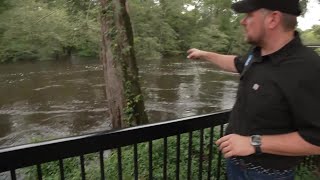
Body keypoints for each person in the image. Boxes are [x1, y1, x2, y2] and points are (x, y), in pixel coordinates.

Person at [187, 0, 320, 179]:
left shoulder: (307, 68)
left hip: (268, 175)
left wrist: (254, 143)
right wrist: (204, 54)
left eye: (249, 15)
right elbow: (235, 63)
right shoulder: (257, 55)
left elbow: (316, 140)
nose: (243, 21)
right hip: (236, 165)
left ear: (273, 19)